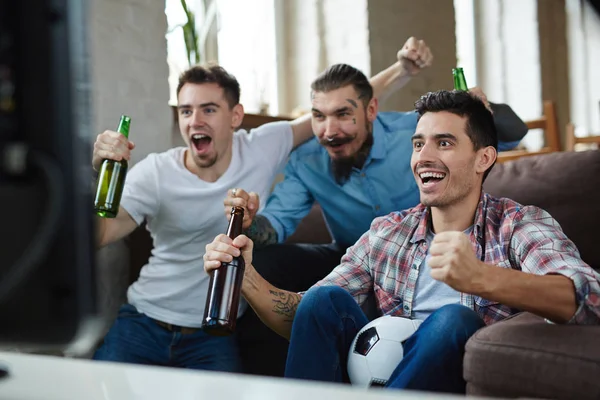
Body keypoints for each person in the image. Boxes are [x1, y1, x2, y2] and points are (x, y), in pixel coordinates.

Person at [205, 89, 600, 393]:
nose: (423, 157)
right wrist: (247, 277)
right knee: (322, 300)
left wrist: (481, 278)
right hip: (373, 371)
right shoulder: (388, 232)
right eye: (417, 143)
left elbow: (589, 297)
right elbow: (305, 319)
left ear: (483, 159)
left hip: (450, 381)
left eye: (443, 143)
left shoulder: (517, 225)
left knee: (453, 319)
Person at [90, 37, 432, 372]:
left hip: (213, 332)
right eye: (186, 111)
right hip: (146, 320)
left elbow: (345, 101)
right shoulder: (155, 171)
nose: (195, 120)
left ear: (236, 116)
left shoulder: (265, 144)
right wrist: (94, 175)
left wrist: (403, 71)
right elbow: (101, 232)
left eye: (209, 109)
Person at [225, 63, 528, 376]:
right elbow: (275, 225)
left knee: (452, 319)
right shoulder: (308, 160)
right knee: (291, 278)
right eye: (319, 116)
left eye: (343, 114)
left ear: (371, 110)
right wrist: (250, 229)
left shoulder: (414, 132)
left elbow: (509, 135)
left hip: (423, 249)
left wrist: (480, 108)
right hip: (360, 251)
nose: (329, 131)